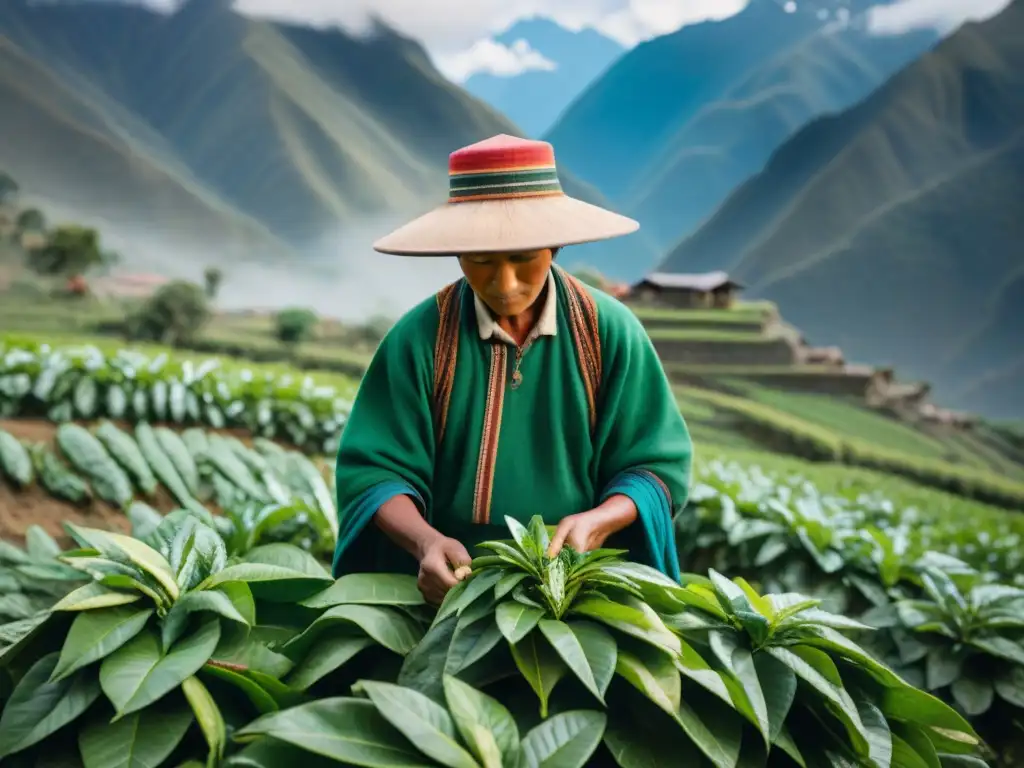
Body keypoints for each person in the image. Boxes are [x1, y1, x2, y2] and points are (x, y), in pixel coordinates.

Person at [332, 134, 693, 605]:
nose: (505, 285)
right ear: (458, 252)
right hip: (448, 593)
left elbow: (654, 466)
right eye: (481, 262)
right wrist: (426, 542)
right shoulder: (419, 340)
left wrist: (599, 521)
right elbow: (374, 473)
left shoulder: (610, 334)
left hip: (577, 591)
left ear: (555, 246)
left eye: (524, 259)